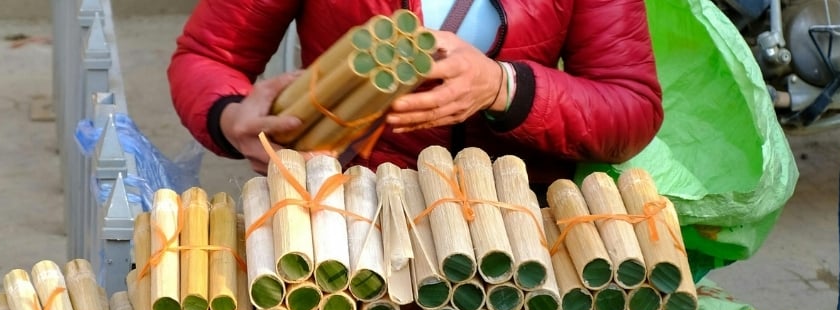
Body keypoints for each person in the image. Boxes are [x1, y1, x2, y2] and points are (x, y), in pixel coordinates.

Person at [168, 0, 664, 193]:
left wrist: (504, 86)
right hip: (341, 223)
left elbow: (631, 106)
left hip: (512, 242)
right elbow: (206, 56)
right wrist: (229, 114)